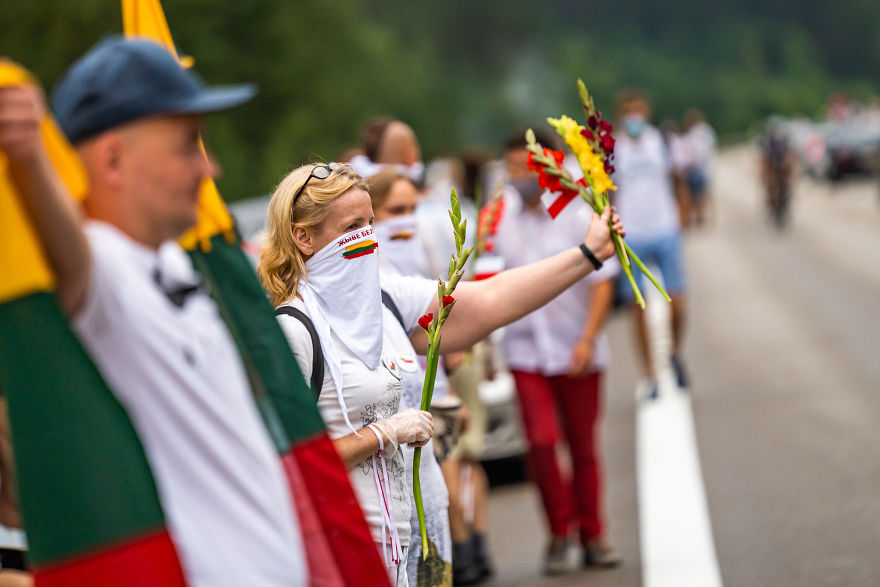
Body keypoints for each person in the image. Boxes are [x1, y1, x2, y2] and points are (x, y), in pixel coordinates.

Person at [0, 38, 307, 585]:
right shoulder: (103, 269)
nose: (209, 167)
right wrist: (29, 156)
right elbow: (71, 256)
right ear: (114, 160)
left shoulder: (169, 257)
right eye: (188, 145)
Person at [257, 161, 625, 585]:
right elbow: (285, 462)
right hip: (354, 553)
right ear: (303, 237)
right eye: (351, 226)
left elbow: (492, 299)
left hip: (424, 542)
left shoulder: (387, 300)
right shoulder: (291, 330)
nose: (367, 237)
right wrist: (385, 433)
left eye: (370, 222)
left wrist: (588, 255)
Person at [495, 129, 622, 575]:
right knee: (542, 445)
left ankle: (594, 535)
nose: (516, 177)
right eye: (510, 168)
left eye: (523, 168)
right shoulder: (500, 215)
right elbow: (487, 279)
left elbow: (603, 282)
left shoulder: (577, 209)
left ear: (546, 166)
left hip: (576, 347)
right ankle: (557, 532)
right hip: (527, 352)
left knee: (583, 446)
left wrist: (587, 339)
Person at [368, 167, 455, 586]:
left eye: (412, 210)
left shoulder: (405, 273)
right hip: (380, 483)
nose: (405, 221)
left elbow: (460, 304)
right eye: (394, 212)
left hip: (428, 405)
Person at [611, 89, 690, 399]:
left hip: (664, 229)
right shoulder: (612, 148)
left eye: (639, 110)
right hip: (632, 234)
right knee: (637, 306)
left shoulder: (663, 142)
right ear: (620, 115)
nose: (635, 117)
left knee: (679, 302)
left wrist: (682, 216)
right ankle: (649, 371)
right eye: (628, 111)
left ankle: (674, 352)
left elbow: (679, 180)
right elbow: (609, 192)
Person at [681, 109, 717, 226]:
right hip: (704, 167)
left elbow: (695, 152)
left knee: (698, 193)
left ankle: (699, 215)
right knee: (704, 193)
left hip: (699, 168)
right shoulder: (706, 131)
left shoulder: (697, 133)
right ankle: (704, 215)